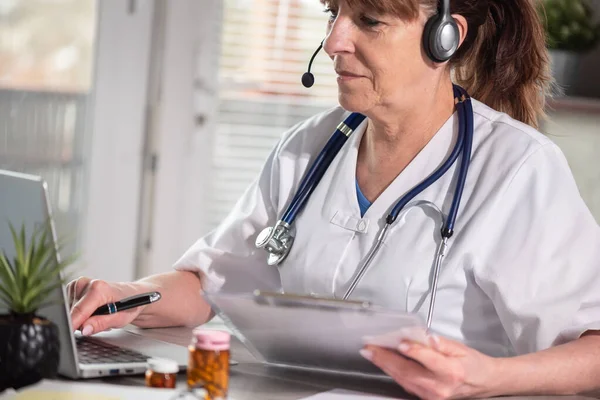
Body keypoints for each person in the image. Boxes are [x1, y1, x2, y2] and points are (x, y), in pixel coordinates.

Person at [68, 0, 600, 398]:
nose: (333, 40)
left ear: (446, 38)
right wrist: (126, 296)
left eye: (369, 20)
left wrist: (484, 378)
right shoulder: (308, 147)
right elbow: (209, 281)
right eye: (333, 12)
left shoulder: (516, 169)